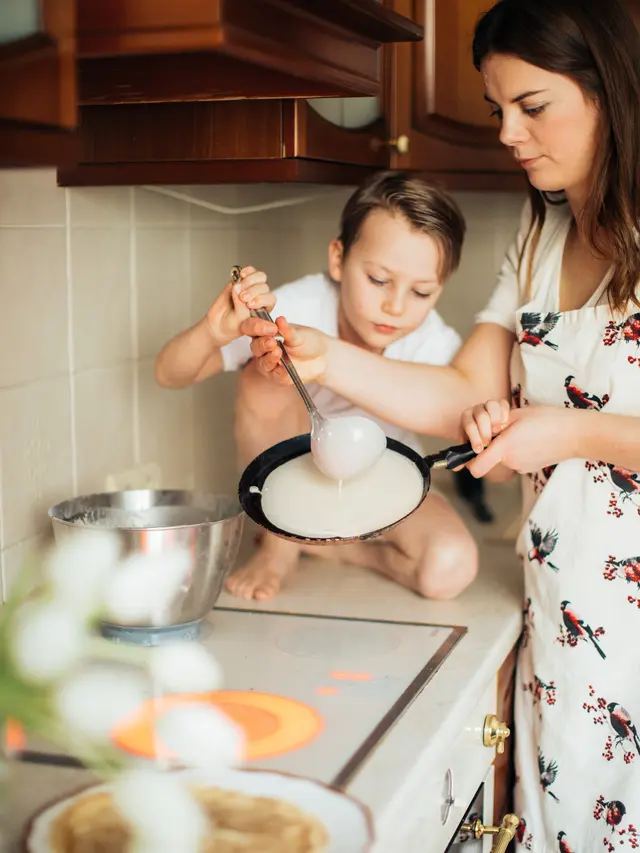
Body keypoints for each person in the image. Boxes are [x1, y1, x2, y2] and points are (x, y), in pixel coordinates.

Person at [244, 0, 640, 847]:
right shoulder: (539, 241)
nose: (506, 132)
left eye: (532, 107)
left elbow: (572, 429)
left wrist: (567, 432)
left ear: (612, 93)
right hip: (569, 616)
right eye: (498, 109)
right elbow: (459, 389)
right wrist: (322, 357)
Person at [155, 171, 480, 603]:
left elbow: (473, 422)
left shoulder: (433, 342)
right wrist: (212, 333)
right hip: (295, 487)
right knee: (264, 366)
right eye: (379, 280)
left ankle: (343, 551)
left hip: (385, 484)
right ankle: (281, 546)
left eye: (421, 292)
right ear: (338, 259)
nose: (395, 306)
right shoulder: (298, 308)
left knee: (451, 567)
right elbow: (169, 374)